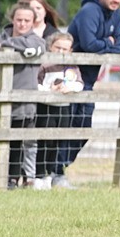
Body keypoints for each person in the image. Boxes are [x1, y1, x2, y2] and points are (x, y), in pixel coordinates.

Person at [65, 0, 120, 168]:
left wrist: (107, 45)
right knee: (67, 126)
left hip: (89, 81)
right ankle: (54, 169)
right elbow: (88, 44)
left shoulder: (115, 14)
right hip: (70, 77)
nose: (116, 0)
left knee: (84, 127)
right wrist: (108, 42)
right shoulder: (89, 11)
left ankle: (60, 167)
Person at [0, 2, 48, 188]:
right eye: (19, 19)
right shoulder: (1, 36)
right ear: (12, 19)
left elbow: (31, 50)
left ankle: (12, 178)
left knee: (16, 141)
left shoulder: (37, 41)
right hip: (0, 98)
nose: (22, 24)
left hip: (23, 102)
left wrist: (5, 45)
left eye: (27, 20)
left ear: (33, 22)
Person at [35, 31, 83, 189]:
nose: (61, 52)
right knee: (44, 142)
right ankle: (38, 176)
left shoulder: (72, 67)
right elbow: (35, 84)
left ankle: (49, 176)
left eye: (65, 49)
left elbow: (79, 84)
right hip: (46, 108)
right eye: (58, 47)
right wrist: (49, 91)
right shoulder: (44, 64)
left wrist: (70, 88)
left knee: (57, 142)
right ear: (50, 47)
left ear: (70, 51)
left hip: (63, 108)